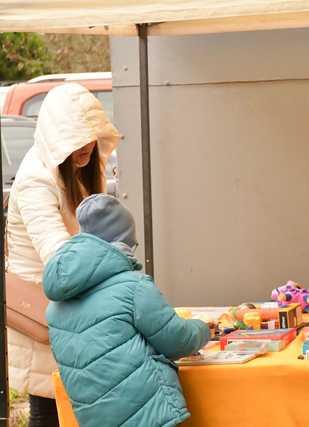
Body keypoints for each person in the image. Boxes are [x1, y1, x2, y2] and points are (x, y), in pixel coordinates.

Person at [43, 193, 210, 427]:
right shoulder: (133, 287)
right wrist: (203, 329)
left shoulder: (57, 304)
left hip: (95, 419)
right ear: (121, 244)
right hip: (149, 414)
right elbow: (177, 341)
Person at [6, 83, 119, 426]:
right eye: (76, 139)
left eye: (90, 137)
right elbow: (61, 257)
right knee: (49, 403)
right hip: (44, 307)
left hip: (72, 307)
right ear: (58, 138)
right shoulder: (35, 181)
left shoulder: (83, 167)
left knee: (67, 404)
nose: (85, 146)